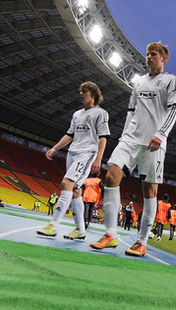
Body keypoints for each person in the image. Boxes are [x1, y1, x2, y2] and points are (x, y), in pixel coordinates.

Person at [91, 42, 176, 257]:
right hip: (130, 139)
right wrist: (124, 136)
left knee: (149, 191)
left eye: (154, 54)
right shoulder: (139, 82)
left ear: (164, 59)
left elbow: (174, 109)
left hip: (154, 142)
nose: (149, 57)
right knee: (111, 176)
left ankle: (141, 241)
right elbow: (131, 111)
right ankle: (110, 234)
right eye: (148, 54)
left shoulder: (171, 81)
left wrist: (161, 134)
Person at [37, 81, 109, 240]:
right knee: (76, 191)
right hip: (72, 152)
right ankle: (80, 230)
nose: (81, 94)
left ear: (93, 94)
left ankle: (53, 225)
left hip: (87, 153)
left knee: (66, 183)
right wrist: (55, 148)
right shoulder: (77, 114)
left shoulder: (100, 113)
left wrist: (98, 158)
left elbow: (103, 137)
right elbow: (70, 135)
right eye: (80, 91)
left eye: (84, 91)